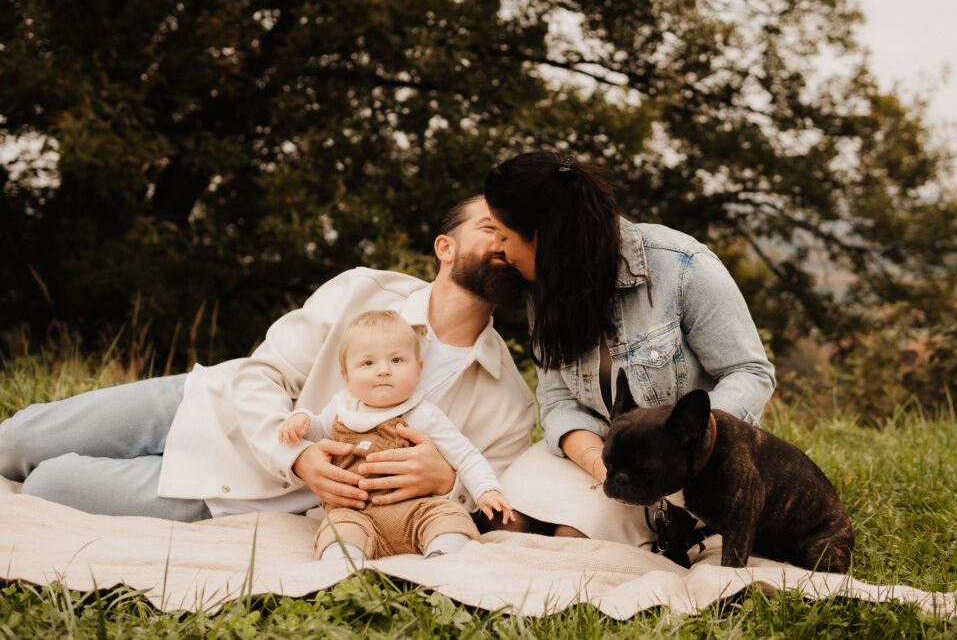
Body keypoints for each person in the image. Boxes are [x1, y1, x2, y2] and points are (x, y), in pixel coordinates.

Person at [0, 197, 536, 528]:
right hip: (204, 407)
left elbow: (490, 494)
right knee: (17, 441)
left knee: (51, 484)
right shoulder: (363, 289)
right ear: (445, 247)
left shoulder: (511, 399)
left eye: (515, 235)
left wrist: (447, 480)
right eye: (490, 227)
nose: (504, 241)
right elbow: (265, 372)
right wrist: (299, 455)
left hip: (238, 496)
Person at [483, 151, 776, 547]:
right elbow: (556, 402)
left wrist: (687, 451)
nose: (499, 249)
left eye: (503, 235)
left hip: (678, 467)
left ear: (542, 237)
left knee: (575, 541)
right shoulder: (545, 289)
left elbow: (749, 372)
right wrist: (595, 462)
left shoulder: (683, 266)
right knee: (504, 527)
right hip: (599, 458)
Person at [277, 309, 513, 563]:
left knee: (448, 516)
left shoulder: (422, 415)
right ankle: (342, 567)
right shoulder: (341, 408)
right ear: (346, 377)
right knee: (338, 529)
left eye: (397, 360)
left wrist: (486, 490)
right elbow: (318, 430)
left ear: (418, 370)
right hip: (354, 512)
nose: (383, 371)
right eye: (368, 363)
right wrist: (301, 420)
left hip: (414, 511)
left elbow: (465, 456)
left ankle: (443, 557)